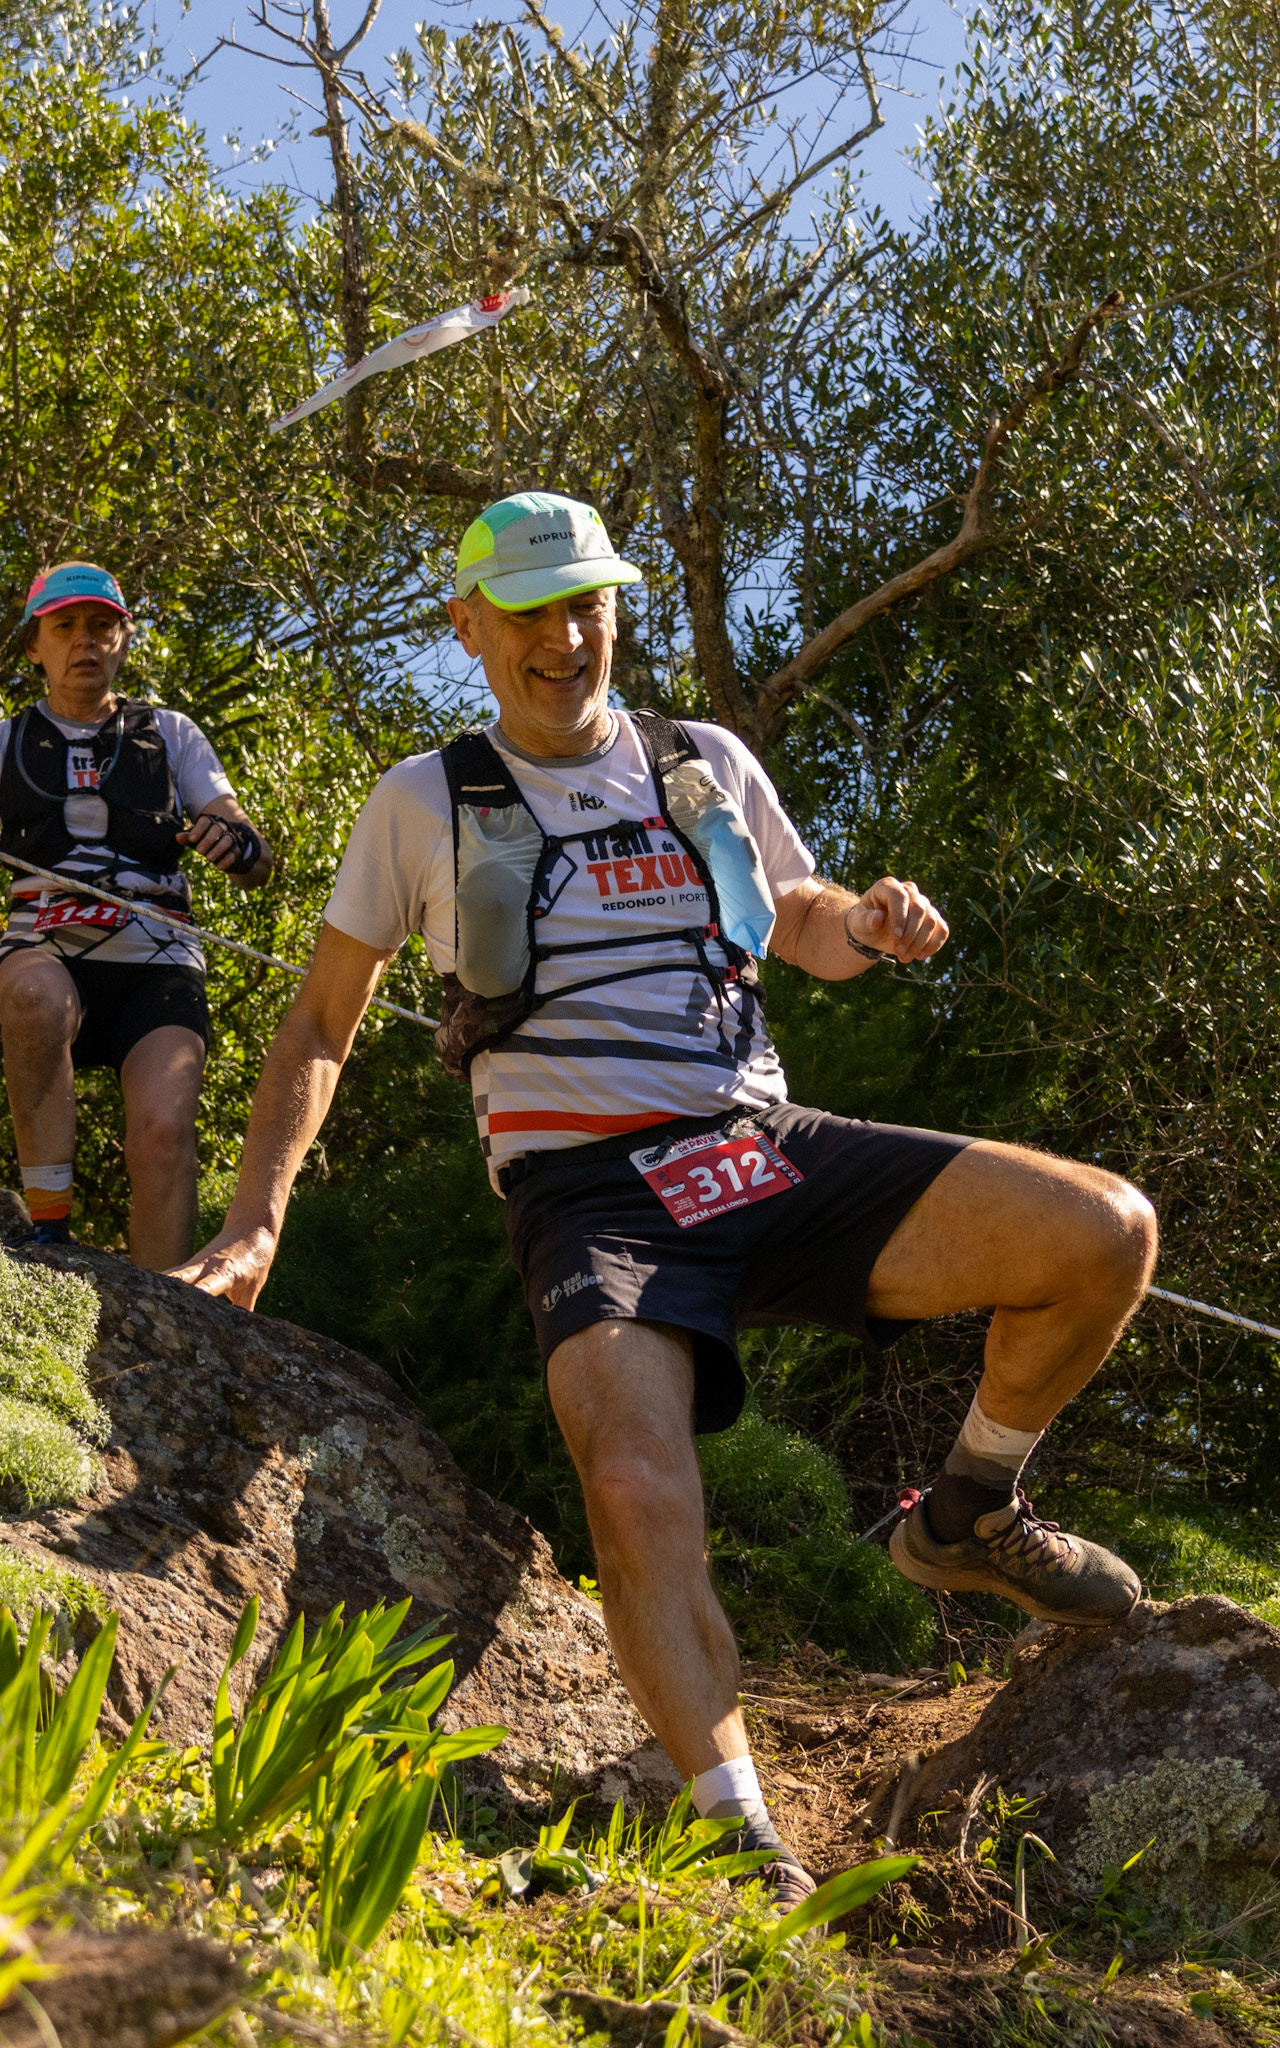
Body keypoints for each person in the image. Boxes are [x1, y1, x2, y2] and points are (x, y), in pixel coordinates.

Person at [173, 491, 1157, 1906]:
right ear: (468, 628)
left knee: (1104, 1231)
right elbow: (323, 1022)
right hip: (590, 1195)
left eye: (588, 604)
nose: (566, 638)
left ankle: (966, 1514)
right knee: (634, 1483)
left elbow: (798, 920)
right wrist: (255, 1218)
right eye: (530, 612)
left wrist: (865, 920)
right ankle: (738, 1827)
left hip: (760, 1147)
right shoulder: (422, 800)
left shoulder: (702, 760)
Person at [0, 561, 273, 1267]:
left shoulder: (172, 733)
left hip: (158, 956)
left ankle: (169, 1303)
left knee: (161, 1134)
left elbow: (254, 858)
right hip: (45, 946)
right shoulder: (5, 741)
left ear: (124, 638)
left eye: (101, 625)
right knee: (30, 995)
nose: (84, 641)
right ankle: (48, 1238)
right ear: (34, 646)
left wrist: (235, 843)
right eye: (64, 627)